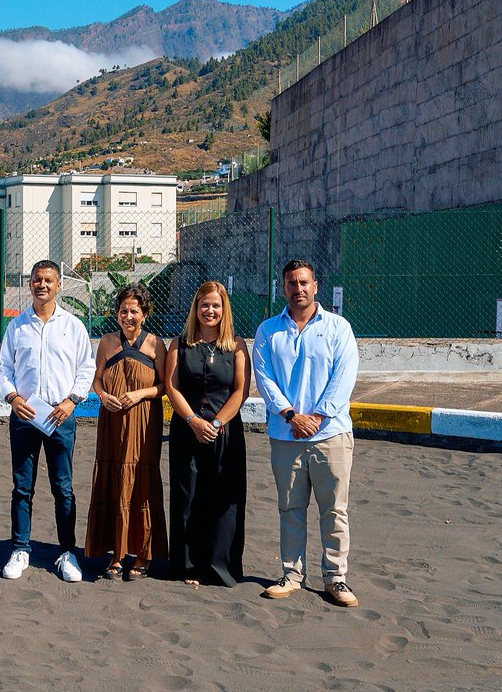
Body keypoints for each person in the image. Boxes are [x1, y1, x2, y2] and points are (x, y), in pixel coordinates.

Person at [253, 259, 360, 607]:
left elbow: (343, 378)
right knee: (290, 508)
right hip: (287, 436)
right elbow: (265, 380)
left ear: (316, 286)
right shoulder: (268, 331)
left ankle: (335, 578)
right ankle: (291, 574)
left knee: (334, 510)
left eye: (303, 282)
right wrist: (291, 416)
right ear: (282, 288)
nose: (297, 289)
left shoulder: (338, 328)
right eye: (290, 283)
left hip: (331, 436)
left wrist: (315, 416)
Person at [0, 260, 95, 583]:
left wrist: (72, 400)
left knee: (63, 488)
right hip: (25, 415)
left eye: (49, 280)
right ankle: (20, 548)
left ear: (59, 285)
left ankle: (67, 552)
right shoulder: (17, 327)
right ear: (30, 285)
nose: (42, 285)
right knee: (22, 487)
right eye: (37, 280)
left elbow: (86, 368)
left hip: (60, 416)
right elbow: (4, 370)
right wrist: (12, 397)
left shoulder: (73, 325)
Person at [164, 281, 249, 588]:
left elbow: (240, 390)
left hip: (224, 432)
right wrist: (193, 421)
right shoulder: (179, 344)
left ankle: (220, 567)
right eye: (204, 305)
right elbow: (172, 386)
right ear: (195, 308)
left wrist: (215, 424)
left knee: (224, 497)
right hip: (187, 429)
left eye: (216, 305)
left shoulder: (236, 345)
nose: (209, 311)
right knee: (188, 497)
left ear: (224, 309)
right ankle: (189, 566)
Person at [85, 284, 168, 581]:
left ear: (144, 313)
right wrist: (102, 396)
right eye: (123, 310)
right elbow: (97, 380)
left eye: (134, 310)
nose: (128, 316)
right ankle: (117, 554)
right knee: (114, 481)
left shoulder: (156, 345)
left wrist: (140, 394)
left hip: (143, 422)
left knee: (141, 483)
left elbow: (165, 387)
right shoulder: (107, 342)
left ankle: (143, 555)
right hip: (112, 423)